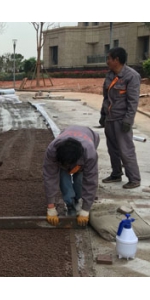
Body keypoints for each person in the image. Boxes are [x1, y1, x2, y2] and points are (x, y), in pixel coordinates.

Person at [99, 47, 141, 189]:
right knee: (112, 149)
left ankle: (134, 179)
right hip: (110, 119)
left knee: (126, 149)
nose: (107, 62)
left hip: (121, 120)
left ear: (116, 60)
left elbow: (133, 101)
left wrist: (128, 121)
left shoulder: (131, 76)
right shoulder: (110, 75)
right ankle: (116, 174)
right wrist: (103, 114)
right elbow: (106, 98)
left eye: (109, 58)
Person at [43, 125, 100, 227]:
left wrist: (86, 210)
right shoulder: (52, 150)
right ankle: (69, 203)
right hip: (68, 137)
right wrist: (50, 207)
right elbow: (50, 177)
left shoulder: (89, 153)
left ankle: (78, 199)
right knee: (63, 175)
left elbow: (91, 180)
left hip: (89, 137)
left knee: (80, 178)